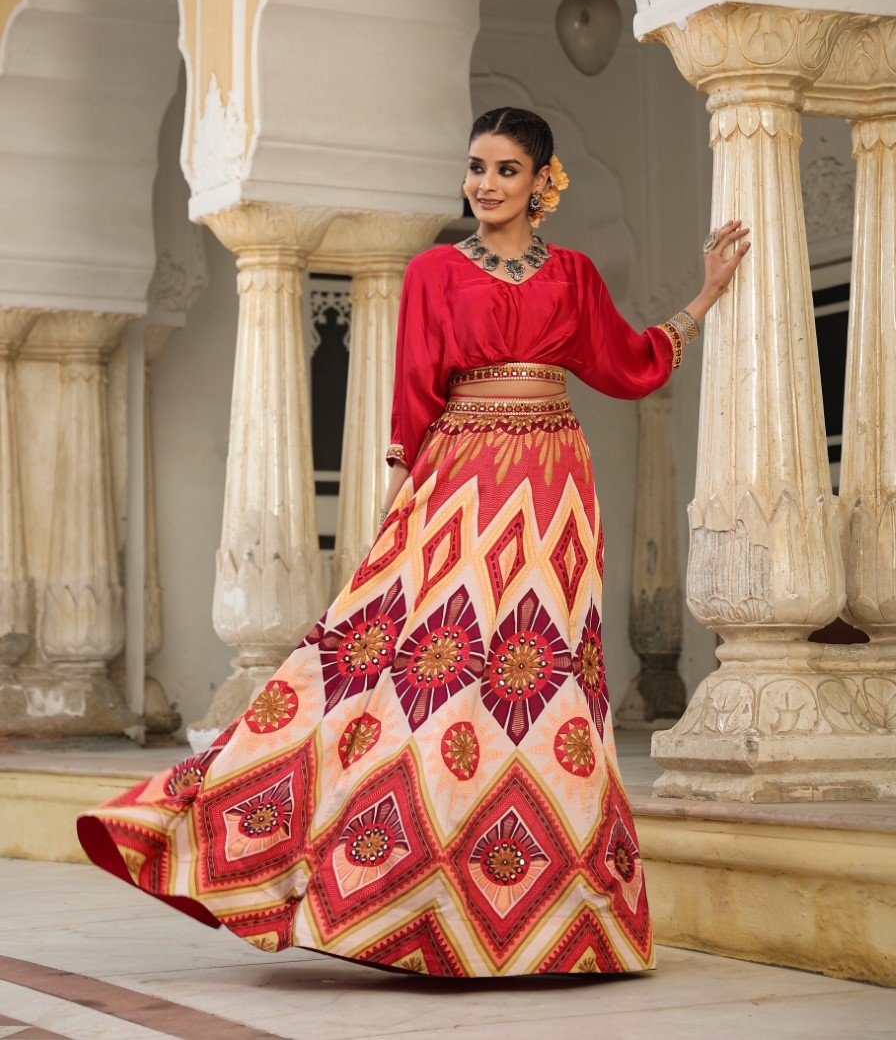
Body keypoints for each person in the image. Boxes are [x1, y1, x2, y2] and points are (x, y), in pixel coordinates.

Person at [77, 106, 749, 977]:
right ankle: (402, 900)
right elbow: (414, 391)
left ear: (542, 182)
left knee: (543, 684)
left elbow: (628, 364)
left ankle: (552, 920)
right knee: (428, 671)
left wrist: (701, 296)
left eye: (506, 170)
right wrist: (398, 499)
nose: (485, 184)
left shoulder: (574, 274)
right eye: (476, 167)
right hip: (461, 483)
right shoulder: (435, 270)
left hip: (553, 494)